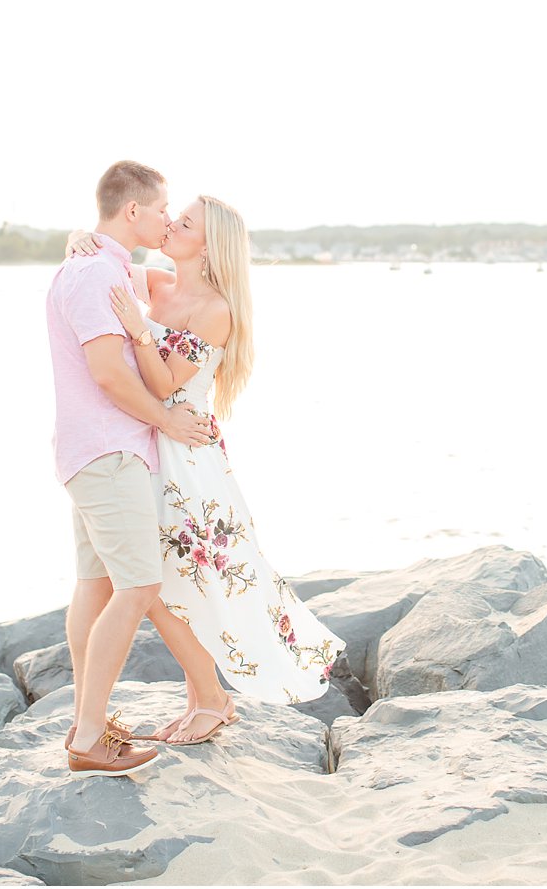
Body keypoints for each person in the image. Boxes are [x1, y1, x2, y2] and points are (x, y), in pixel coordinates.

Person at [66, 196, 344, 746]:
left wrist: (138, 331)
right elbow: (108, 261)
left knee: (164, 584)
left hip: (185, 457)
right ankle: (203, 698)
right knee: (160, 581)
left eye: (185, 223)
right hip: (153, 441)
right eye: (175, 216)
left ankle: (212, 698)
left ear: (209, 245)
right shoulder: (159, 285)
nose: (171, 225)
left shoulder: (214, 309)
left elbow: (164, 386)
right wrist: (81, 236)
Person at [46, 160, 215, 777]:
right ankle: (89, 735)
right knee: (141, 587)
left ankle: (87, 723)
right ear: (134, 211)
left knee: (96, 586)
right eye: (163, 208)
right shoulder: (95, 274)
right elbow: (109, 373)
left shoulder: (105, 268)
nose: (169, 218)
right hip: (109, 450)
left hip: (93, 451)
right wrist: (167, 421)